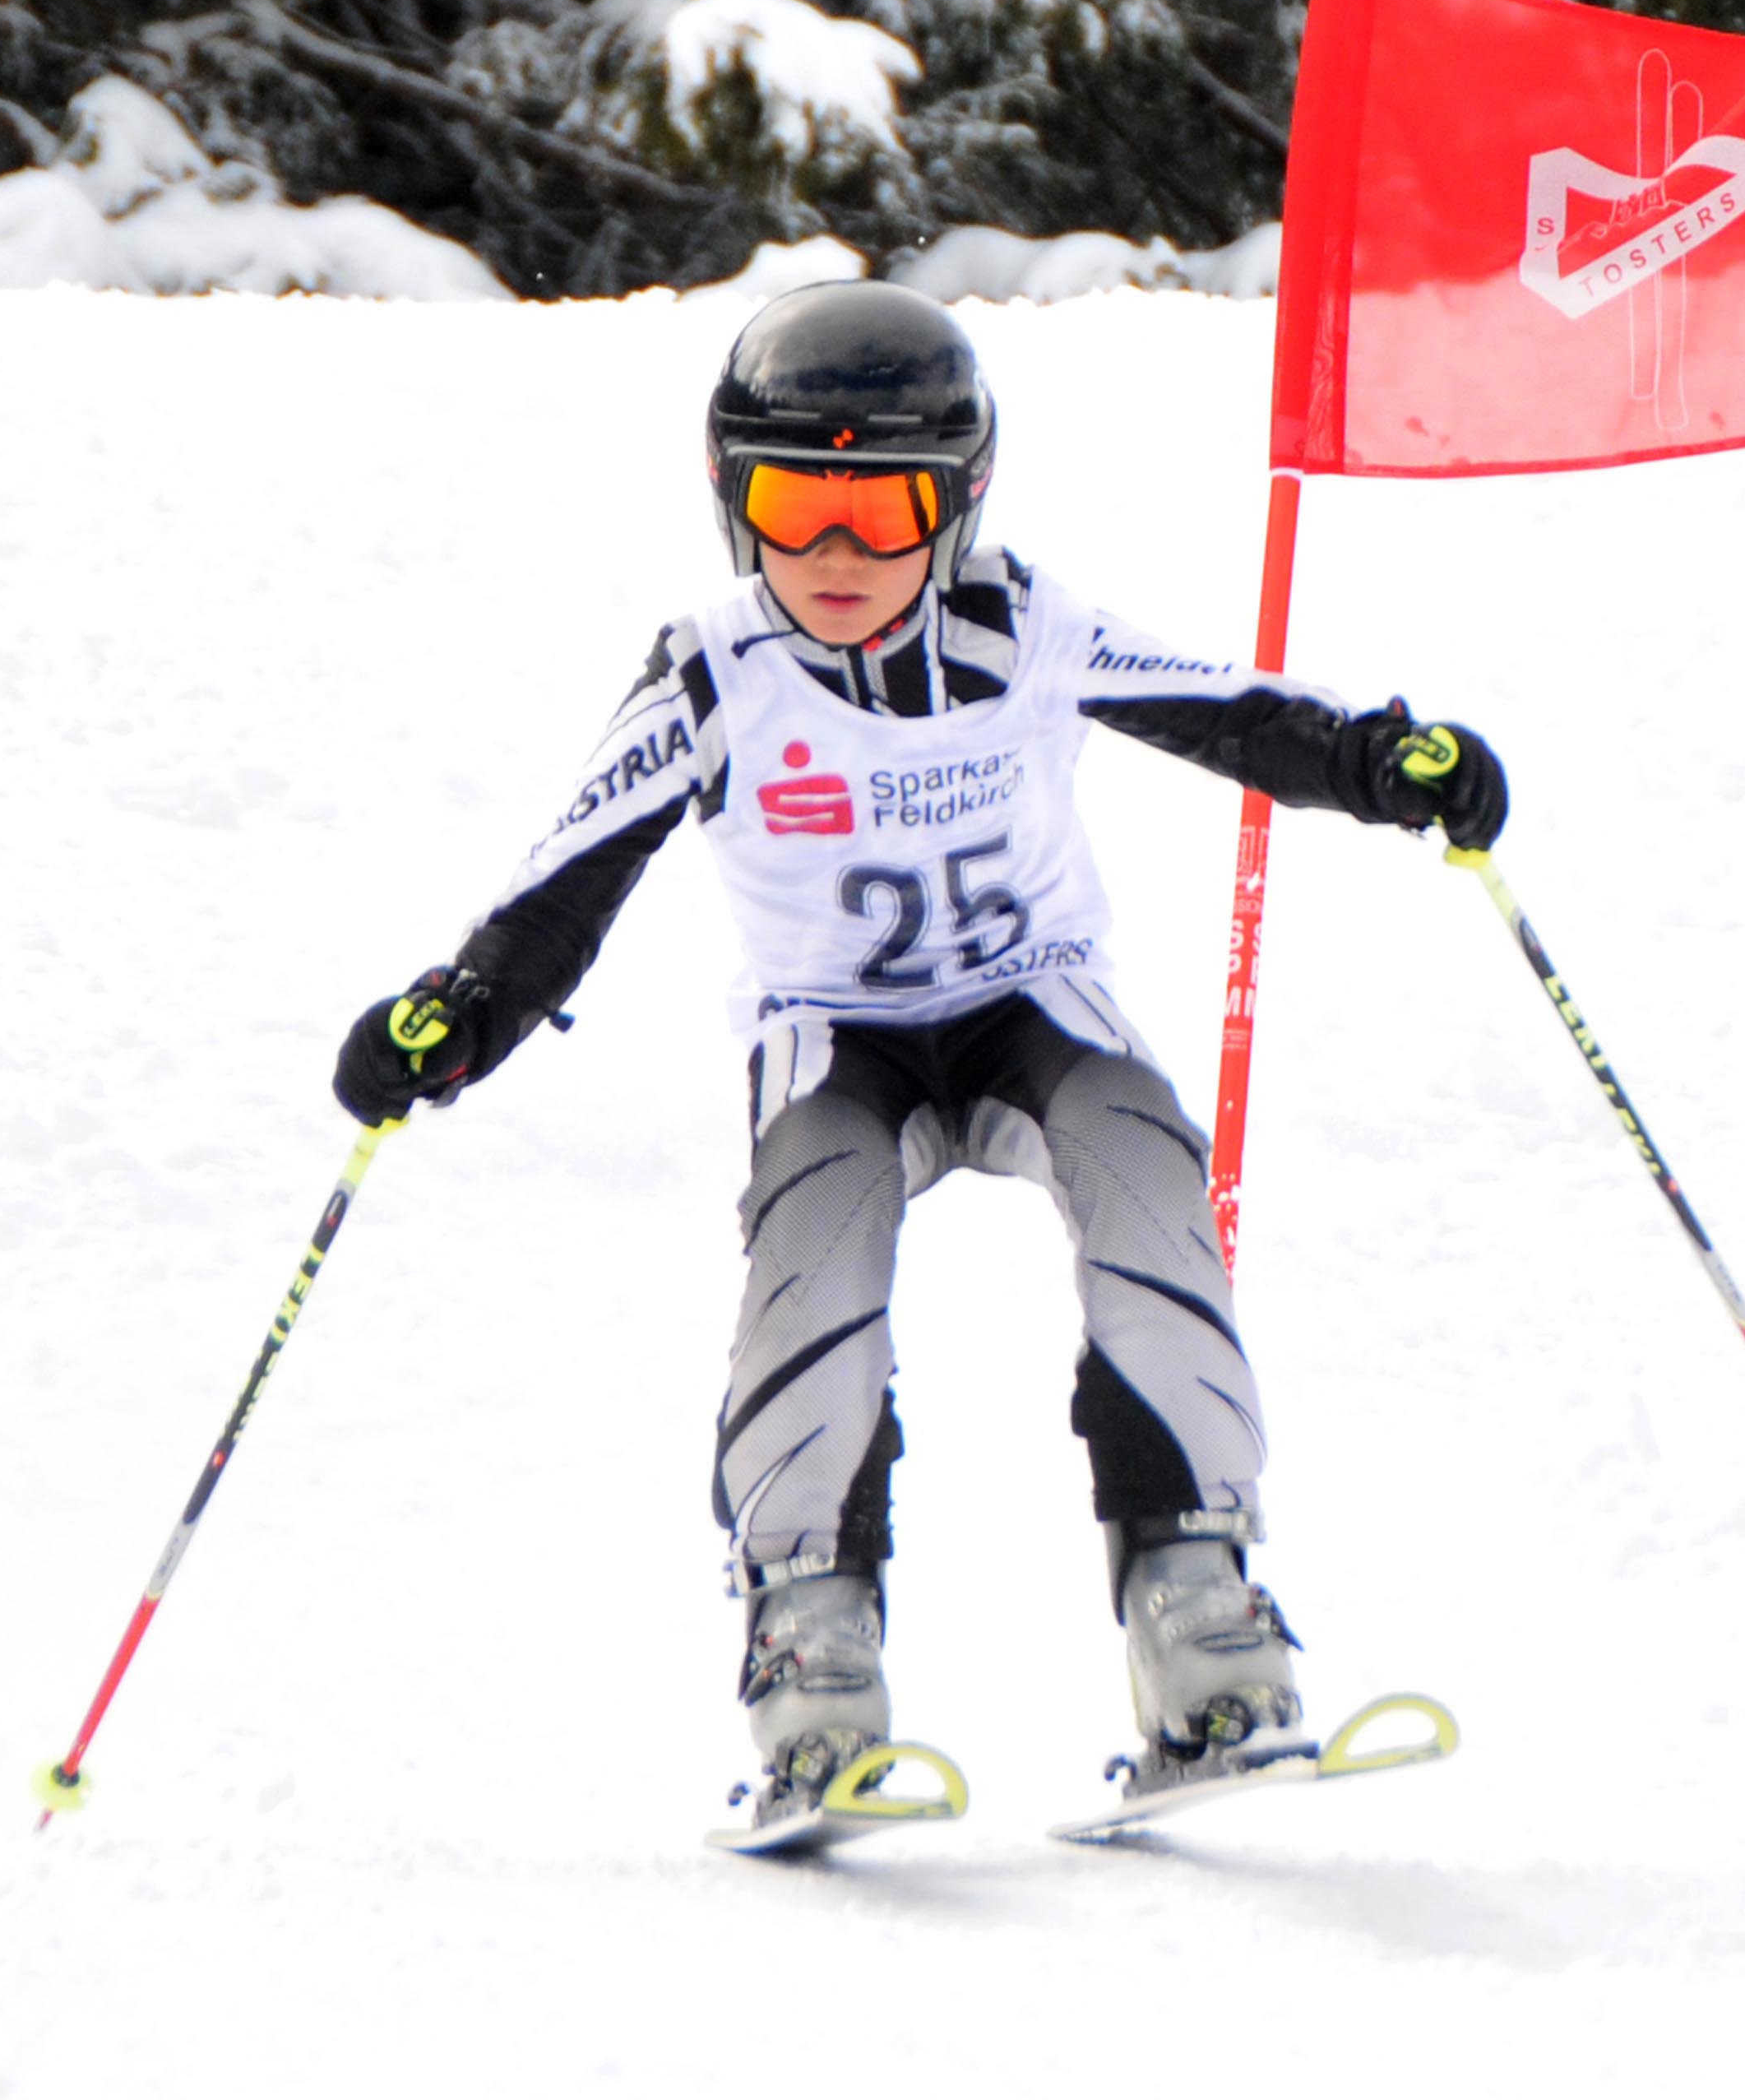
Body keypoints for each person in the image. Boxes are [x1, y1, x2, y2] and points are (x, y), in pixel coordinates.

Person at [333, 282, 1507, 1827]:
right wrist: (462, 1014)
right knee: (814, 1246)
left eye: (883, 512)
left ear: (958, 505)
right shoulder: (711, 671)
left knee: (1145, 1165)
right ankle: (812, 1653)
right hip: (840, 1040)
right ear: (729, 498)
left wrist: (1378, 761)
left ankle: (1200, 1618)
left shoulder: (1025, 626)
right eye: (789, 505)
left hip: (1031, 1008)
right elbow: (569, 881)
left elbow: (1228, 715)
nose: (834, 552)